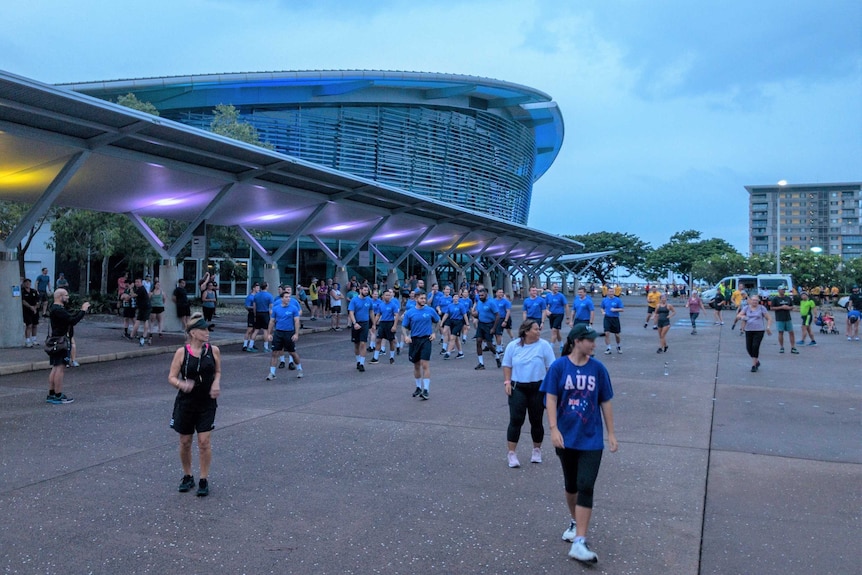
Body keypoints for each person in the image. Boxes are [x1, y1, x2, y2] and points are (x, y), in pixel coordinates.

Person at [541, 324, 617, 564]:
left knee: (586, 485)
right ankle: (575, 522)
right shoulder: (559, 367)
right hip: (565, 436)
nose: (594, 344)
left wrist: (611, 433)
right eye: (590, 340)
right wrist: (553, 429)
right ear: (576, 341)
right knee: (571, 485)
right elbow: (550, 398)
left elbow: (605, 401)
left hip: (591, 437)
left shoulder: (598, 369)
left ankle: (579, 542)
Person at [167, 313, 221, 497]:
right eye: (203, 329)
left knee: (204, 442)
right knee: (185, 442)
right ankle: (187, 475)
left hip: (207, 402)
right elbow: (171, 377)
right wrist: (181, 384)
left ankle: (203, 479)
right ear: (193, 333)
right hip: (186, 402)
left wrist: (216, 383)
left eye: (208, 329)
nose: (207, 333)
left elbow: (218, 371)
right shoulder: (182, 353)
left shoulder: (213, 350)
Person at [502, 320, 556, 468]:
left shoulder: (544, 345)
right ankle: (512, 454)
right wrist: (507, 382)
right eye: (536, 329)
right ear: (526, 331)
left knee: (536, 420)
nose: (539, 332)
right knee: (516, 419)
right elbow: (507, 365)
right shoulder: (513, 346)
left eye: (539, 329)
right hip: (518, 387)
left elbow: (551, 367)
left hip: (538, 387)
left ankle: (536, 450)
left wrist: (550, 388)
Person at [46, 288, 91, 404]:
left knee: (55, 367)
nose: (68, 297)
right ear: (59, 296)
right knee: (60, 368)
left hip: (56, 340)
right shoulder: (58, 310)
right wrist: (83, 310)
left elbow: (69, 317)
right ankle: (58, 394)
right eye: (66, 295)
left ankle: (52, 393)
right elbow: (72, 320)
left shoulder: (56, 309)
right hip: (61, 341)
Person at [401, 291, 440, 400]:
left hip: (426, 339)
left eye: (424, 298)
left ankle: (426, 390)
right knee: (416, 365)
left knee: (425, 364)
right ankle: (418, 387)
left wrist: (434, 333)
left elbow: (438, 321)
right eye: (422, 298)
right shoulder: (410, 312)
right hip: (414, 340)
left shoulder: (430, 310)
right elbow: (404, 326)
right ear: (416, 299)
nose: (424, 300)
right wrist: (406, 336)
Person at [265, 288, 304, 380]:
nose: (288, 299)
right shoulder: (276, 308)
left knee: (292, 353)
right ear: (281, 298)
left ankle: (300, 369)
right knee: (275, 353)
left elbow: (296, 321)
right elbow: (272, 321)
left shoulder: (293, 308)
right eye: (286, 297)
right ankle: (272, 373)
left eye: (289, 297)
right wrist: (269, 333)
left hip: (289, 333)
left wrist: (296, 334)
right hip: (278, 333)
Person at [736, 295, 772, 372]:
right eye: (753, 300)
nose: (754, 302)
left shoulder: (762, 308)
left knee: (755, 346)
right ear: (750, 301)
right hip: (749, 330)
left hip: (759, 330)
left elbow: (769, 318)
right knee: (749, 348)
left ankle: (753, 365)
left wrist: (768, 327)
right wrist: (742, 317)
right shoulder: (746, 308)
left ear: (758, 301)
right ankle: (756, 361)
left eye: (756, 300)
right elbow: (739, 315)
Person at [472, 287, 500, 370]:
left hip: (489, 324)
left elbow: (497, 315)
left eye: (482, 295)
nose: (480, 297)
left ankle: (497, 356)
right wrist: (474, 314)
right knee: (478, 341)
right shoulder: (479, 303)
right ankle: (481, 363)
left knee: (489, 345)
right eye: (479, 295)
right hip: (481, 324)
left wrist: (494, 328)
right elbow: (479, 313)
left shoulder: (491, 303)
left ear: (486, 295)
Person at [370, 289, 400, 365]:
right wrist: (374, 324)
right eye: (386, 295)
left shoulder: (393, 305)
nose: (388, 296)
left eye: (389, 295)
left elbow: (396, 315)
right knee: (378, 340)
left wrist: (394, 326)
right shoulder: (381, 305)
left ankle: (392, 357)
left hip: (390, 323)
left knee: (391, 341)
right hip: (382, 323)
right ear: (383, 296)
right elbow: (378, 315)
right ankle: (375, 357)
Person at [348, 284, 373, 372]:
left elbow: (371, 311)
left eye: (367, 290)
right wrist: (354, 323)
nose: (366, 292)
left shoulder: (369, 300)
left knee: (363, 343)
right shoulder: (354, 300)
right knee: (356, 344)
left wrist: (373, 324)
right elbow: (351, 312)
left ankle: (362, 363)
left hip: (365, 323)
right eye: (365, 290)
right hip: (356, 323)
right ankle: (358, 361)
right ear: (360, 290)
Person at [771, 286, 798, 354]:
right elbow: (771, 308)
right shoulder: (775, 299)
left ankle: (793, 347)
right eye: (782, 290)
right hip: (779, 318)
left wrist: (788, 308)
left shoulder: (788, 298)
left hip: (788, 318)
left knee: (791, 332)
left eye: (784, 290)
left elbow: (792, 306)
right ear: (779, 290)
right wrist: (781, 307)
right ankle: (781, 347)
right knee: (781, 332)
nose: (783, 291)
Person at [440, 292, 466, 360]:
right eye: (454, 297)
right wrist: (442, 322)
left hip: (459, 322)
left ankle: (448, 353)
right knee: (456, 339)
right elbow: (446, 314)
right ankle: (460, 353)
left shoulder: (461, 305)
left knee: (452, 338)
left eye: (457, 297)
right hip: (452, 322)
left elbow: (464, 315)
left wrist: (467, 324)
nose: (456, 298)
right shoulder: (450, 306)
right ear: (452, 298)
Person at [545, 283, 569, 352]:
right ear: (551, 287)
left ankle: (550, 347)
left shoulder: (561, 296)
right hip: (551, 315)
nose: (556, 288)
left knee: (554, 330)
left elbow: (566, 305)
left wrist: (568, 317)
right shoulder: (548, 296)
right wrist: (547, 311)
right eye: (555, 287)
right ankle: (561, 345)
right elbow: (545, 305)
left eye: (557, 287)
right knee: (556, 331)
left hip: (559, 314)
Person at [600, 289, 624, 354]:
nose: (611, 293)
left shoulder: (617, 300)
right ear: (607, 292)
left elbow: (622, 309)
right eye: (610, 292)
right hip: (607, 318)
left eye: (612, 292)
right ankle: (608, 348)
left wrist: (615, 309)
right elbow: (602, 307)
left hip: (615, 319)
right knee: (606, 333)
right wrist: (602, 312)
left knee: (617, 335)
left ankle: (618, 346)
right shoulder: (604, 300)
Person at [252, 282, 274, 352]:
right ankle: (266, 347)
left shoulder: (256, 295)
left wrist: (255, 314)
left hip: (258, 313)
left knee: (256, 330)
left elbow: (254, 306)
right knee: (266, 330)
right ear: (266, 287)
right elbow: (271, 306)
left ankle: (250, 345)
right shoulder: (269, 296)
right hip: (265, 313)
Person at [130, 277, 151, 346]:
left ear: (141, 283)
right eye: (136, 282)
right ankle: (132, 335)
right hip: (141, 307)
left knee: (145, 320)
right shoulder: (139, 289)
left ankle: (144, 335)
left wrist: (130, 288)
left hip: (146, 307)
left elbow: (133, 295)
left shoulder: (141, 289)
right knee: (138, 320)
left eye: (138, 282)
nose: (136, 283)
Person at [21, 278, 40, 348]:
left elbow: (38, 300)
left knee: (35, 325)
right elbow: (23, 301)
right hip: (27, 311)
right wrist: (30, 307)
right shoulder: (22, 292)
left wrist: (35, 307)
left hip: (35, 311)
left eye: (29, 283)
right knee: (29, 325)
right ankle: (27, 340)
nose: (27, 284)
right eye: (26, 283)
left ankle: (34, 339)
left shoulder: (34, 291)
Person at [242, 282, 261, 351]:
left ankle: (251, 344)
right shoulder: (250, 297)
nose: (258, 289)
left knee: (254, 330)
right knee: (249, 330)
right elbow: (246, 306)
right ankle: (245, 345)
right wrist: (254, 307)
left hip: (257, 314)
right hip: (251, 314)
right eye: (257, 288)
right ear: (253, 288)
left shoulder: (258, 296)